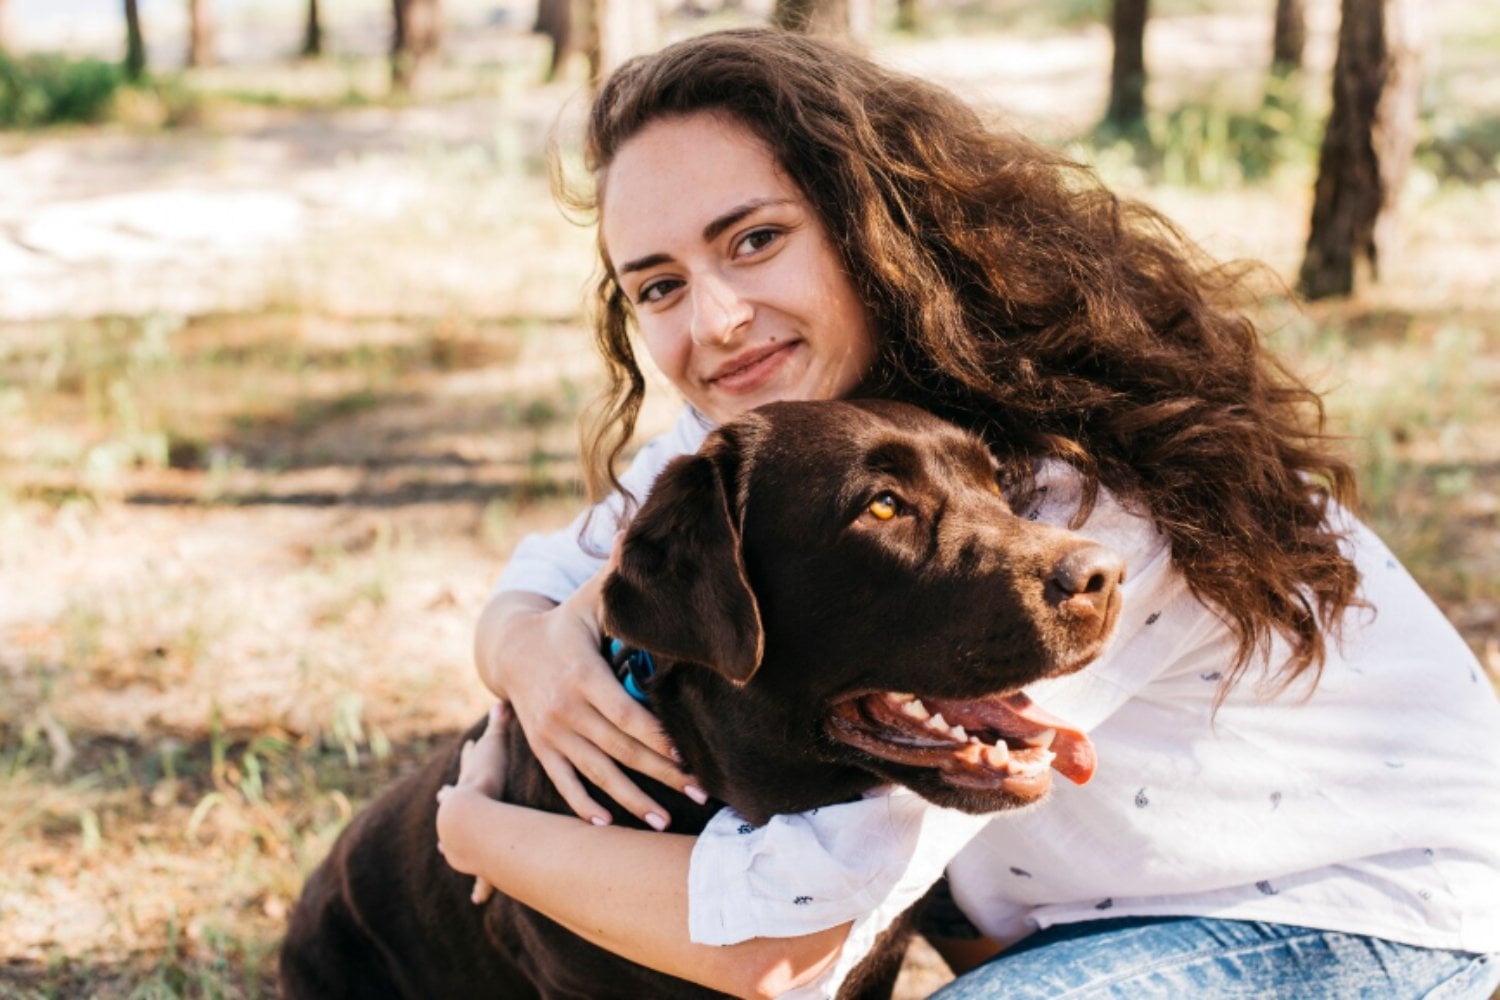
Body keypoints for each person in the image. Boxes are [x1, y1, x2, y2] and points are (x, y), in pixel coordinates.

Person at [433, 27, 1500, 999]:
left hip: (1354, 907)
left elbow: (783, 942)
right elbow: (539, 576)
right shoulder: (784, 425)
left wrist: (477, 831)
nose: (715, 320)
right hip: (1081, 919)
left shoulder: (1073, 484)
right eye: (658, 286)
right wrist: (531, 648)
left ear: (865, 223)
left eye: (754, 240)